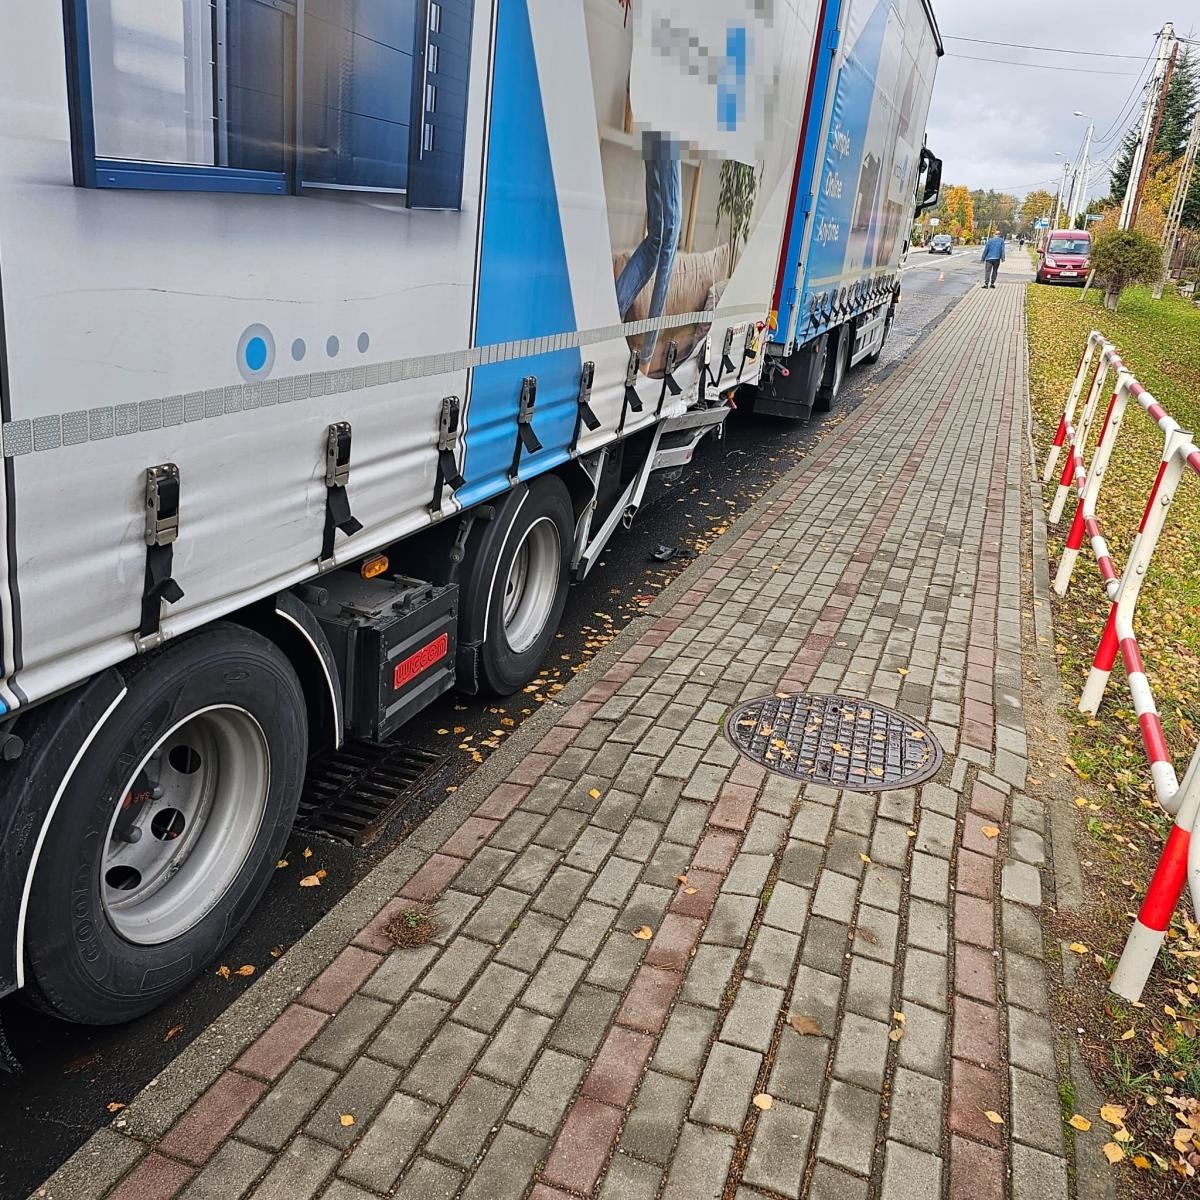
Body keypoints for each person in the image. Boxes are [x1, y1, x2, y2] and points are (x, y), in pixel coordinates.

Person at [615, 130, 683, 361]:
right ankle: (648, 355)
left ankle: (611, 316)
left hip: (652, 118)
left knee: (658, 236)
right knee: (669, 235)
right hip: (668, 120)